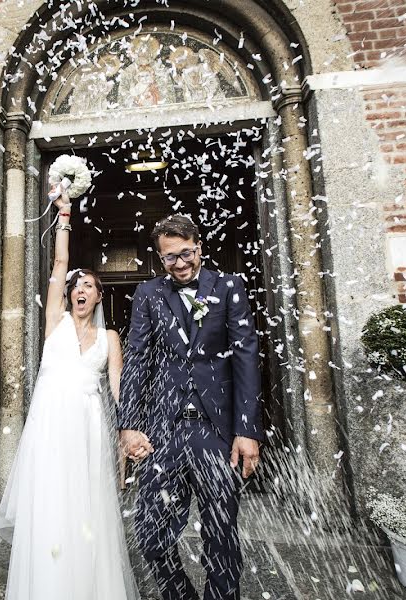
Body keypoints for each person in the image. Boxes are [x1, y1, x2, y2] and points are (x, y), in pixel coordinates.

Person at [0, 186, 141, 600]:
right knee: (53, 504)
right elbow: (59, 262)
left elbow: (117, 389)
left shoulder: (110, 337)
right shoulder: (54, 321)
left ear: (98, 296)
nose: (80, 288)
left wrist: (123, 435)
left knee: (86, 506)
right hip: (51, 427)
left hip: (89, 428)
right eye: (76, 283)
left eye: (89, 285)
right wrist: (64, 217)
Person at [119, 214, 264, 600]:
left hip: (214, 432)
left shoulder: (228, 286)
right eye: (170, 258)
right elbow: (137, 359)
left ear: (198, 247)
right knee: (151, 535)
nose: (180, 264)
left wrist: (247, 430)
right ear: (159, 258)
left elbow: (246, 357)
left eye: (186, 254)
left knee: (221, 536)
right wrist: (129, 424)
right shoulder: (149, 294)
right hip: (162, 433)